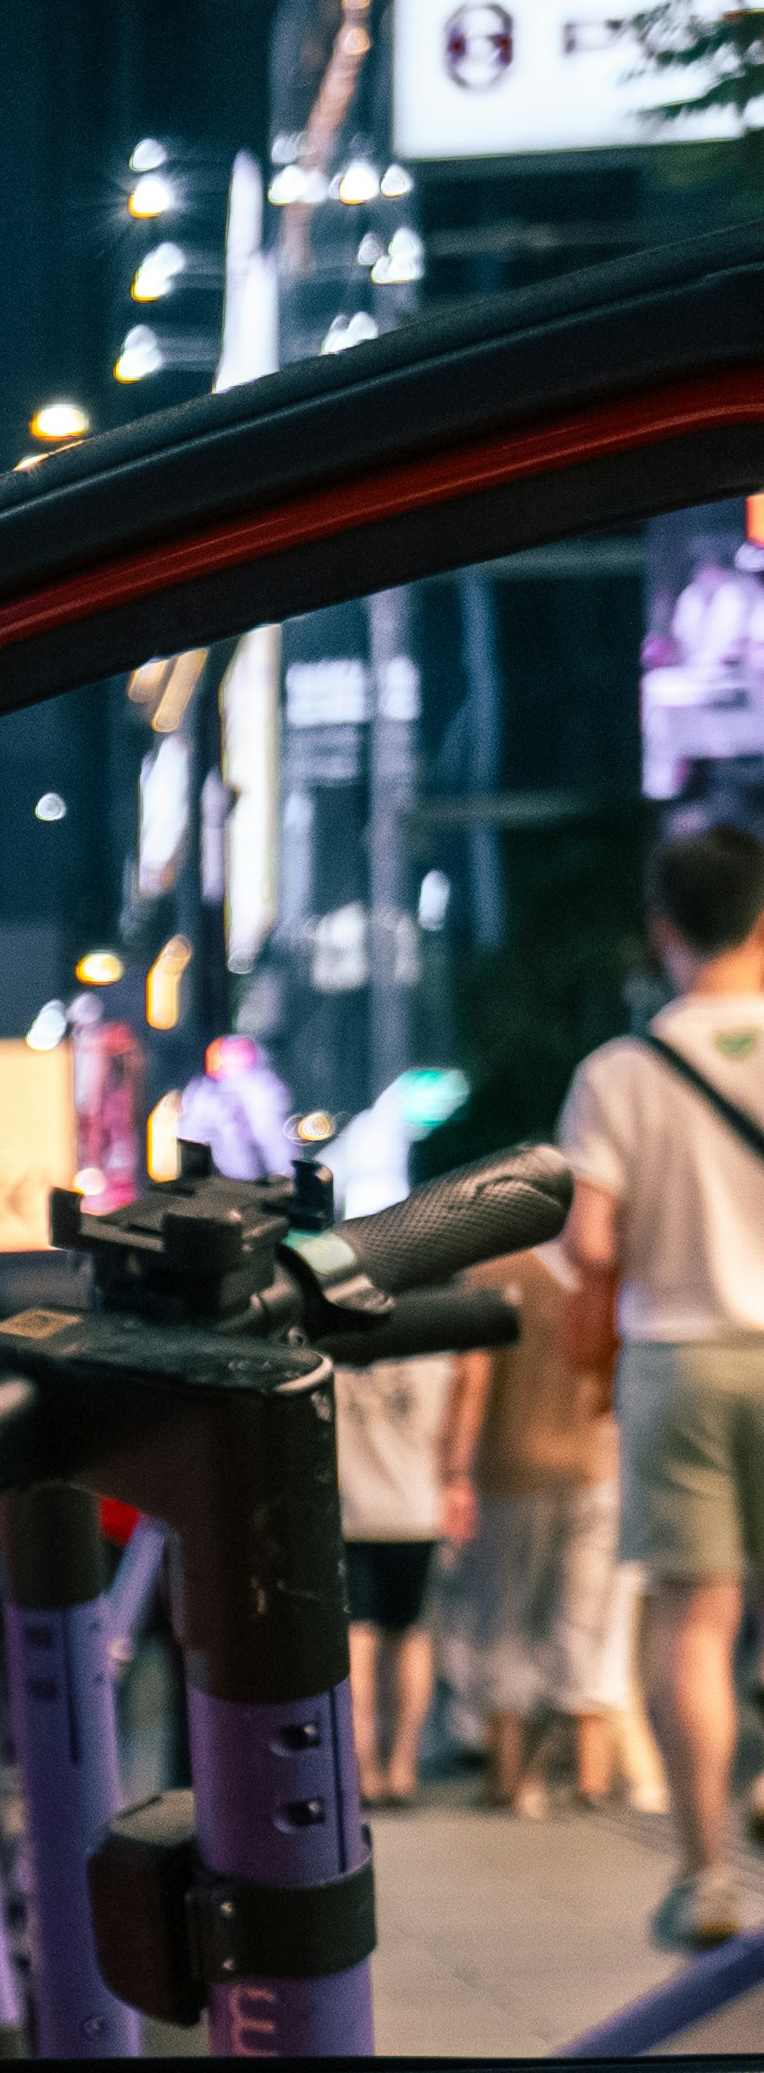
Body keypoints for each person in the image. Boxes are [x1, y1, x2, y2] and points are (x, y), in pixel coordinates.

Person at [553, 819, 764, 1946]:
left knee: (691, 1623)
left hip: (678, 1357)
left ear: (663, 928)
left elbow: (590, 1248)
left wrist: (594, 1374)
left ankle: (704, 1874)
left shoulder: (619, 1073)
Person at [451, 1238, 643, 1817]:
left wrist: (455, 1470)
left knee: (506, 1619)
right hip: (597, 1467)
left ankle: (509, 1780)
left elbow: (472, 1380)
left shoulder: (492, 1270)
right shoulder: (610, 1270)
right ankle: (590, 1780)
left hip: (513, 1469)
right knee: (588, 1623)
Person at [332, 1317, 484, 1809]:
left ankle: (365, 1770)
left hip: (347, 1509)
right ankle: (402, 1769)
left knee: (357, 1638)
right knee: (410, 1633)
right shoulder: (432, 1346)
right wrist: (456, 1472)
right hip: (414, 1509)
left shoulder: (334, 1341)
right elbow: (473, 1377)